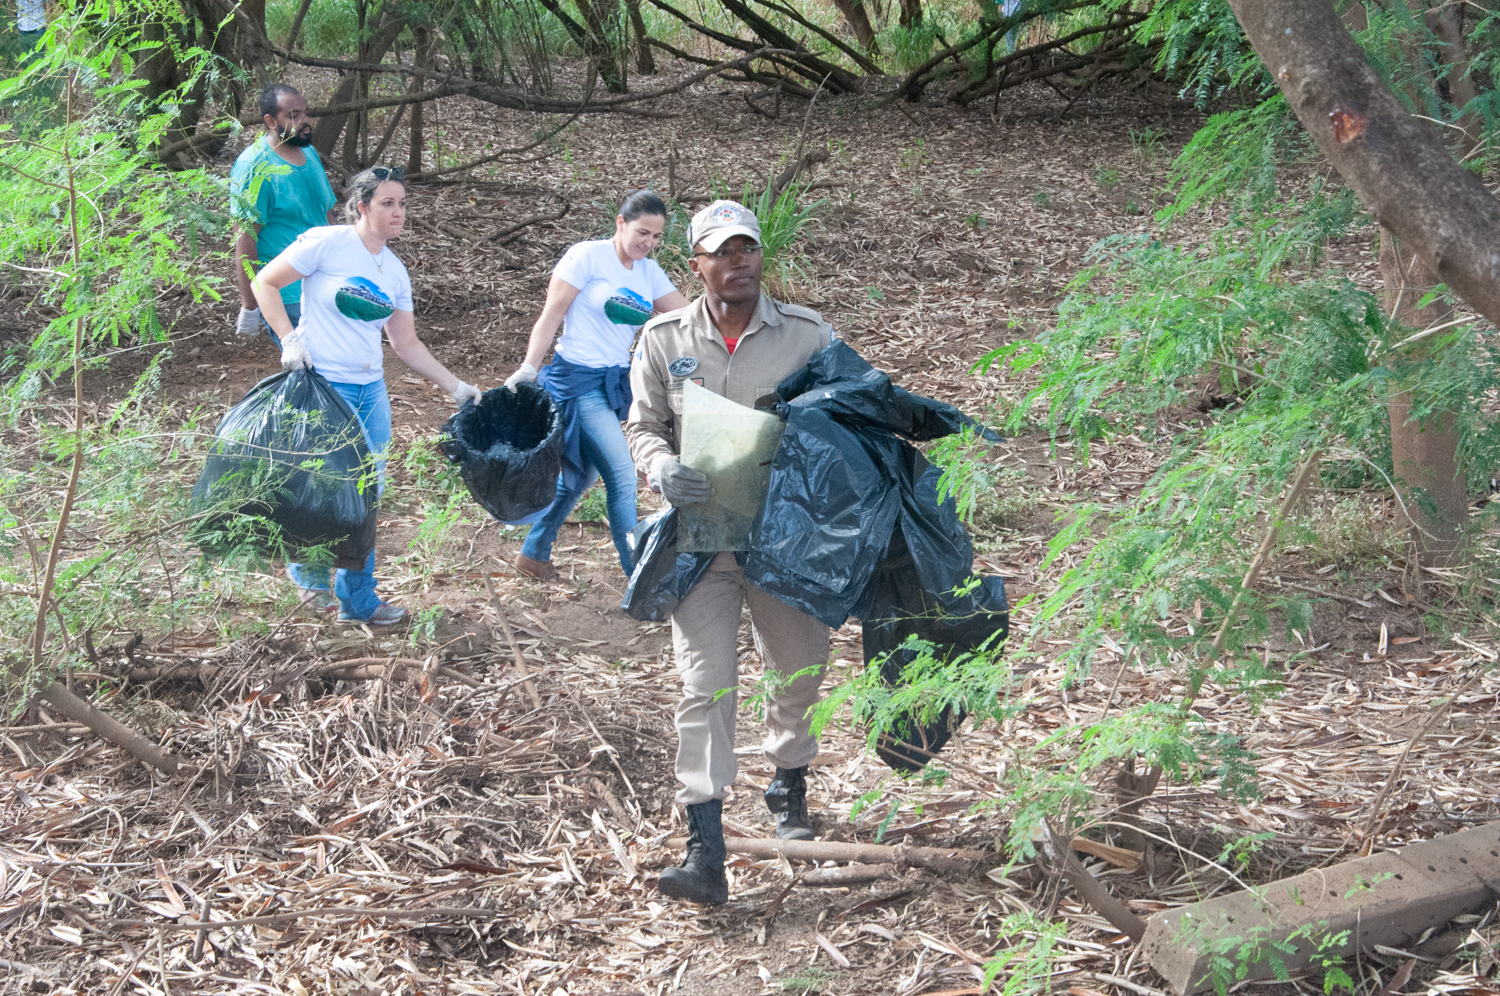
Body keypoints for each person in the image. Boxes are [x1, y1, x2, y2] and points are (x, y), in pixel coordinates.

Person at [626, 200, 835, 905]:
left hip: (787, 541)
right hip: (702, 545)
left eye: (747, 248)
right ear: (698, 264)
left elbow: (849, 422)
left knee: (798, 670)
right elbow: (643, 425)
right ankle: (704, 847)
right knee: (702, 687)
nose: (738, 261)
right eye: (722, 251)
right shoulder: (662, 339)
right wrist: (658, 468)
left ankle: (788, 783)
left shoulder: (807, 337)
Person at [251, 167, 483, 624]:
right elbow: (265, 282)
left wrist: (455, 385)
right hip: (325, 386)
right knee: (322, 488)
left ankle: (356, 599)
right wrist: (288, 339)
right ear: (362, 207)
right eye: (387, 204)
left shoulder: (394, 271)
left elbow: (406, 343)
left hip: (370, 390)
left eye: (402, 204)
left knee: (366, 492)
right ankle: (314, 583)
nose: (398, 213)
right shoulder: (327, 243)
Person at [503, 190, 689, 580]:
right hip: (576, 380)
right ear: (620, 223)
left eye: (656, 236)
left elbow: (688, 316)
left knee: (582, 476)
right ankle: (639, 575)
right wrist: (528, 367)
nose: (648, 243)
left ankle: (534, 553)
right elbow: (552, 313)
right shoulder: (586, 256)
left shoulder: (648, 272)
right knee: (622, 476)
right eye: (642, 232)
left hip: (611, 385)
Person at [231, 84, 338, 344]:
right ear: (270, 121)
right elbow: (245, 240)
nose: (304, 122)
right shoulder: (254, 166)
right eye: (293, 116)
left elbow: (326, 214)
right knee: (312, 369)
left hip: (324, 285)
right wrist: (250, 304)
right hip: (286, 294)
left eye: (305, 113)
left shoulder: (309, 153)